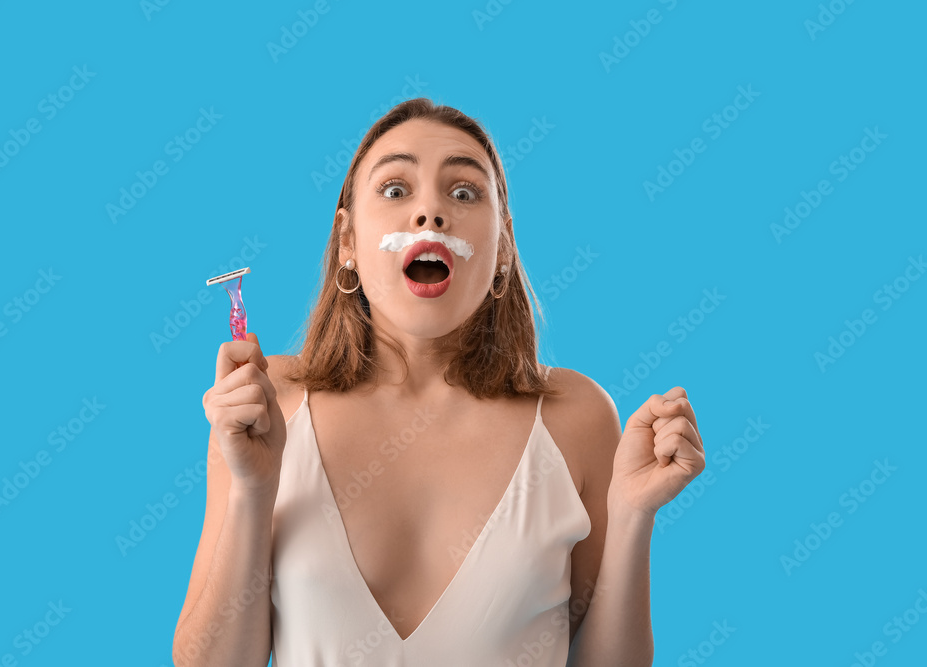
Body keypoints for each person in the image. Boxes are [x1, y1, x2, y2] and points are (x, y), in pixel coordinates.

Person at [172, 97, 705, 667]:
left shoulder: (576, 417)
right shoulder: (268, 402)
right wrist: (254, 490)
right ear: (347, 241)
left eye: (464, 192)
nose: (430, 212)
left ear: (502, 250)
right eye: (396, 190)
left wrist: (632, 516)